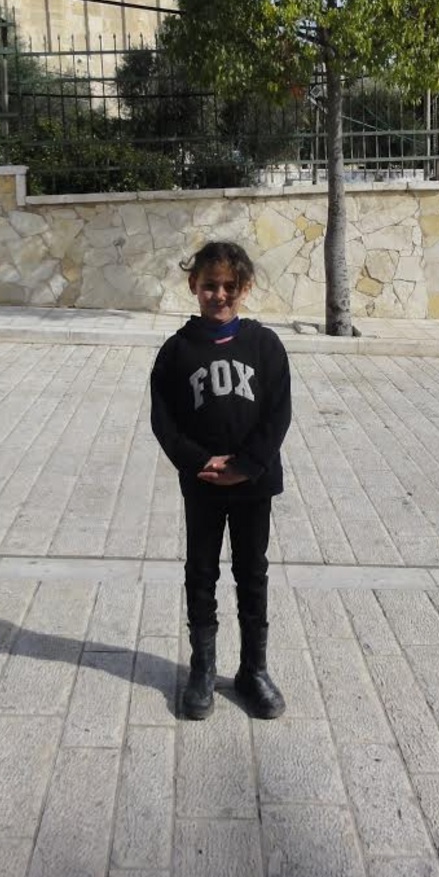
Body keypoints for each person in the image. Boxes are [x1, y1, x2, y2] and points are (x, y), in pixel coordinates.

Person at [150, 241, 292, 721]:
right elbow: (163, 420)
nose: (219, 294)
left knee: (252, 574)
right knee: (202, 574)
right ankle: (203, 670)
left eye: (230, 286)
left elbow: (278, 413)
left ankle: (254, 669)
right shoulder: (176, 352)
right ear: (193, 286)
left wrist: (247, 464)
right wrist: (197, 461)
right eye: (209, 285)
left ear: (245, 288)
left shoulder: (265, 346)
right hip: (204, 484)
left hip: (253, 483)